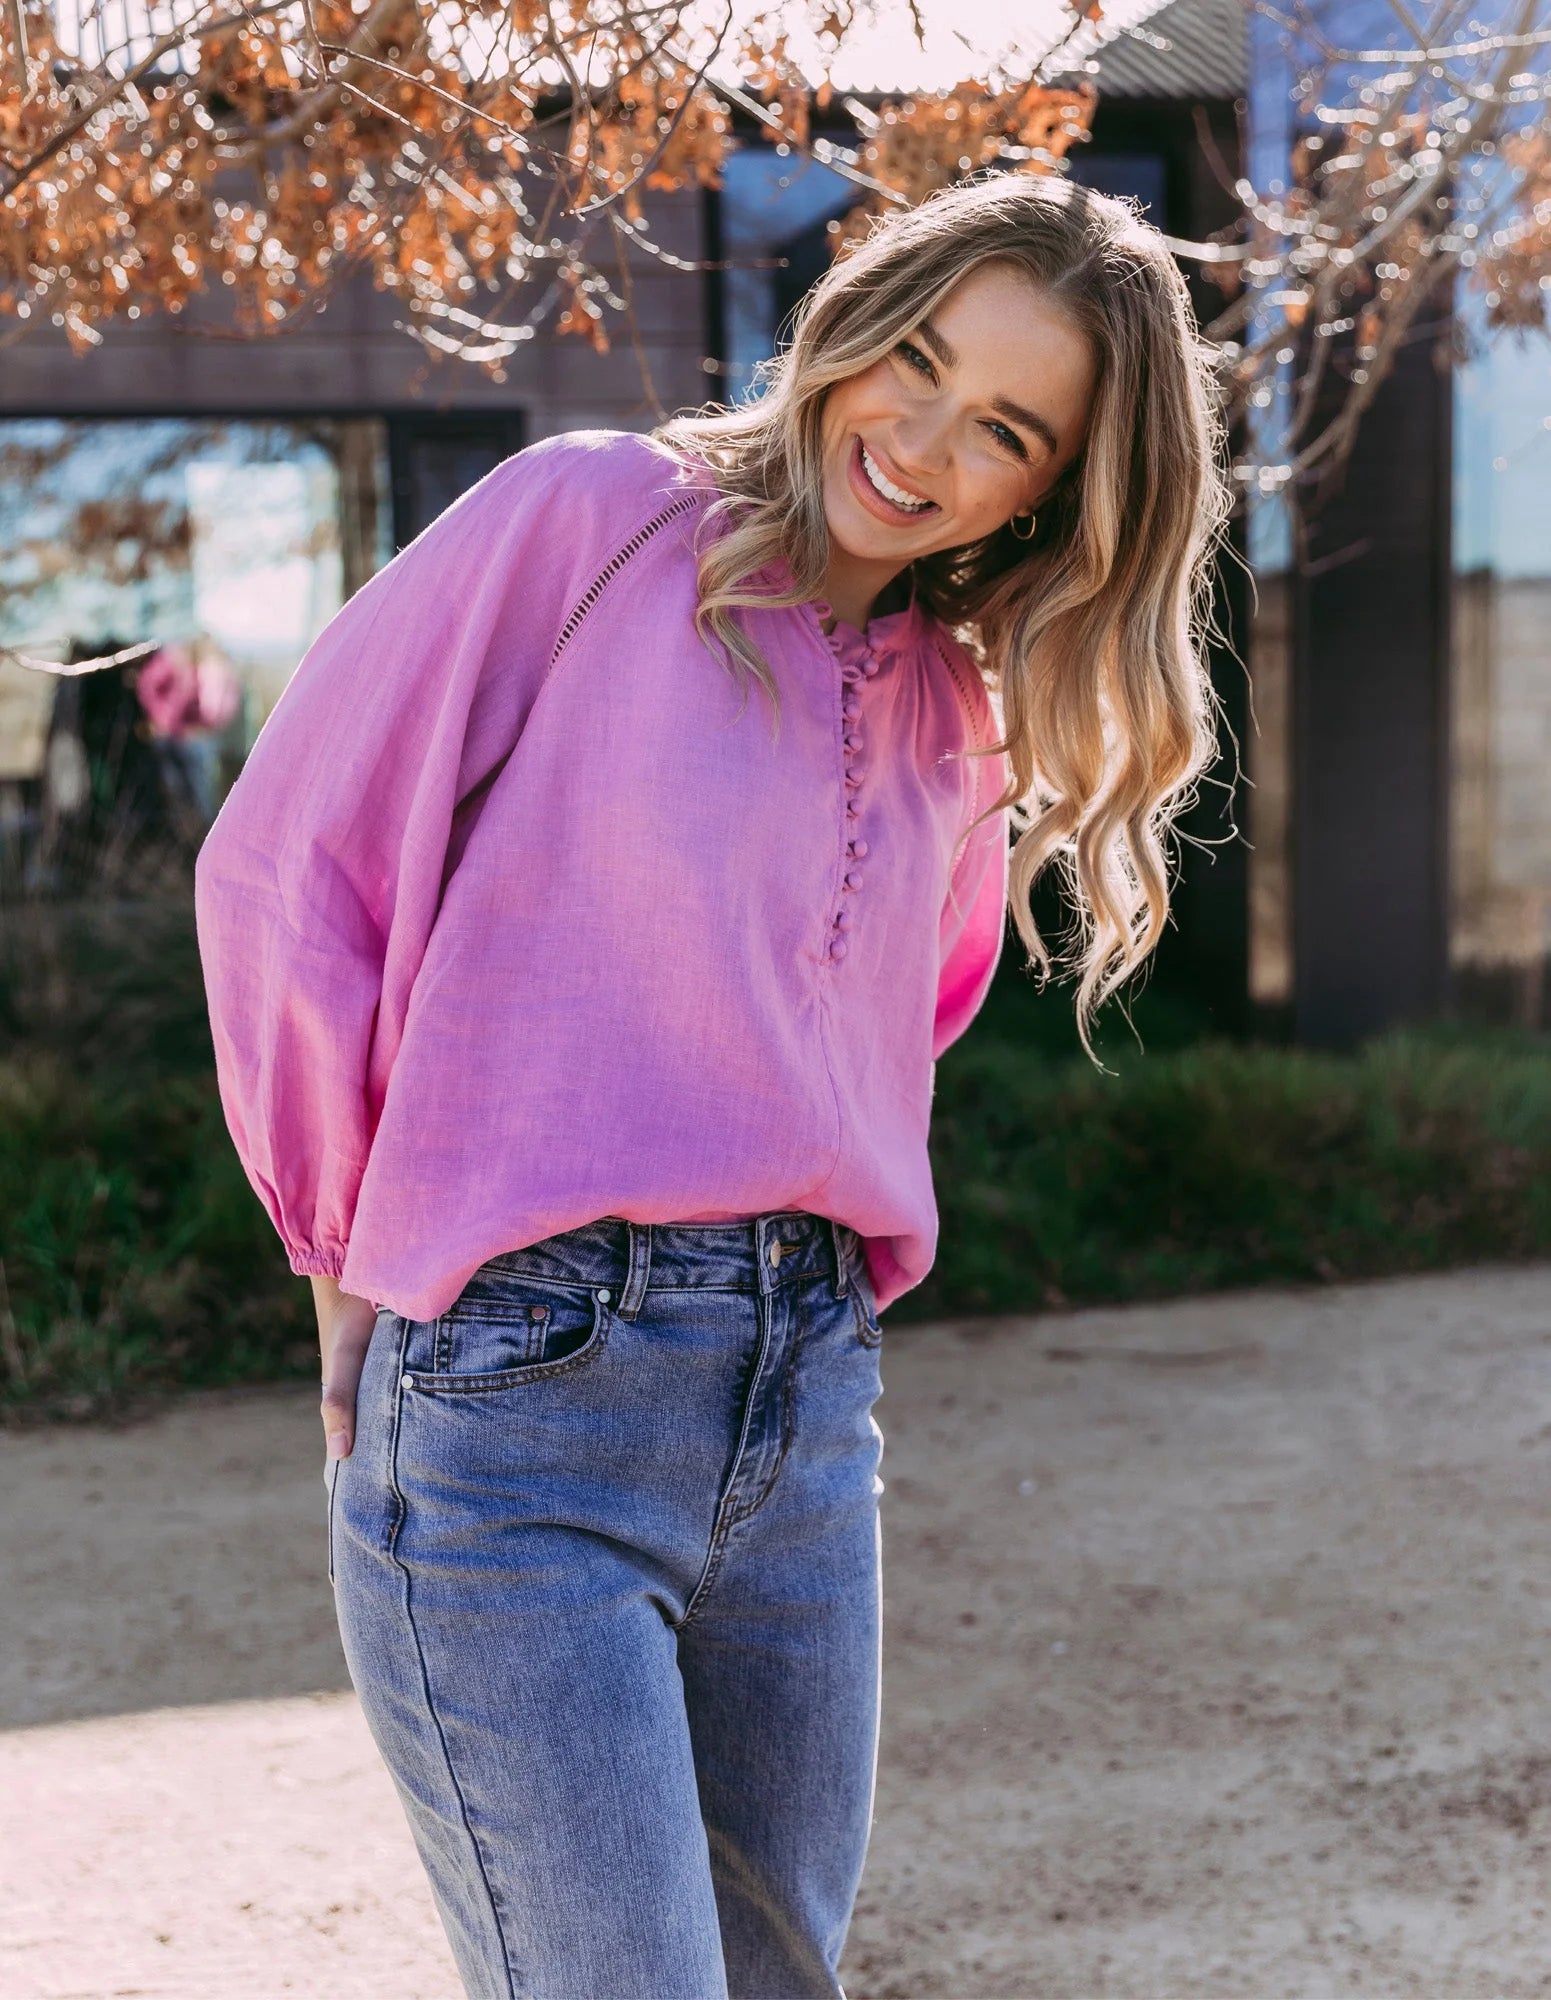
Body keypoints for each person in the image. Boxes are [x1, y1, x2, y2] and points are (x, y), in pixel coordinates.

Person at [193, 171, 1228, 2000]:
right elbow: (289, 865)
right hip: (521, 1404)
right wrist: (336, 1239)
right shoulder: (590, 520)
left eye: (1004, 431)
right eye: (917, 360)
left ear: (1052, 494)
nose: (924, 443)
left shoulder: (951, 704)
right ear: (852, 324)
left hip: (810, 1416)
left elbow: (903, 1015)